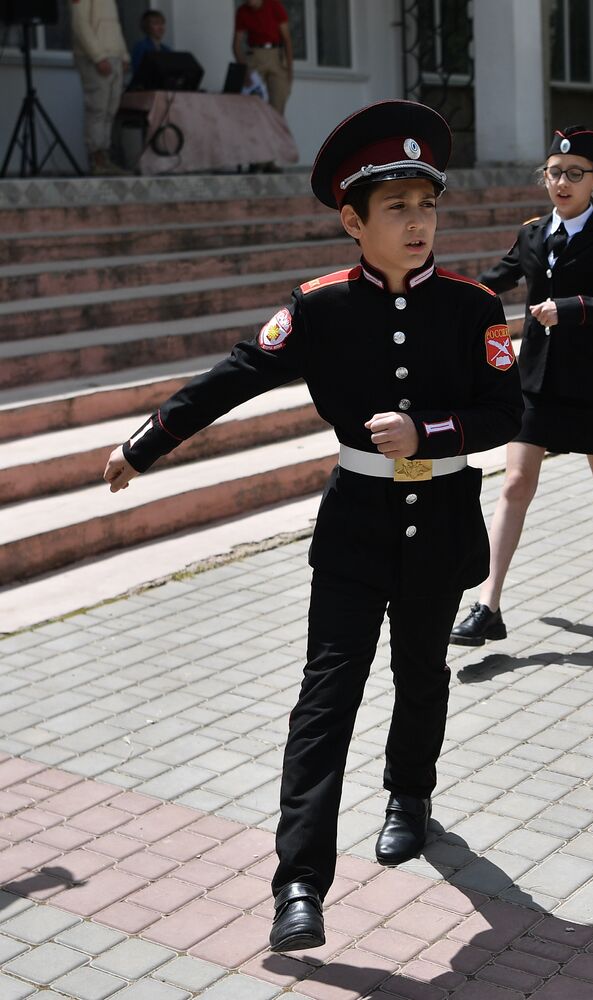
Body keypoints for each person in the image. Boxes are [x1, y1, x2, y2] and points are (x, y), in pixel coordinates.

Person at [101, 101, 524, 952]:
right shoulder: (320, 307)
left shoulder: (473, 306)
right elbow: (234, 376)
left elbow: (507, 410)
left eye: (426, 205)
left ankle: (410, 797)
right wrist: (147, 444)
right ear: (352, 220)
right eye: (397, 209)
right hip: (356, 529)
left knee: (421, 674)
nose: (417, 223)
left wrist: (431, 434)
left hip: (440, 519)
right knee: (324, 699)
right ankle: (298, 882)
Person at [450, 125, 593, 647]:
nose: (561, 182)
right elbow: (494, 278)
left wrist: (571, 309)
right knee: (515, 484)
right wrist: (444, 293)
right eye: (554, 173)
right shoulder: (533, 232)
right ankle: (487, 605)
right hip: (535, 379)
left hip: (590, 382)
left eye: (573, 174)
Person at [70, 0, 131, 176]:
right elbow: (79, 24)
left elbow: (114, 27)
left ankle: (105, 158)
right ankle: (96, 160)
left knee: (110, 111)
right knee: (97, 109)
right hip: (95, 58)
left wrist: (123, 55)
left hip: (114, 57)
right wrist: (98, 56)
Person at [233, 0, 293, 125]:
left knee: (278, 106)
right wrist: (245, 71)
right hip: (255, 56)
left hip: (276, 55)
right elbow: (236, 45)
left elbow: (287, 39)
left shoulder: (274, 6)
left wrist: (290, 70)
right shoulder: (242, 11)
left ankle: (276, 141)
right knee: (252, 103)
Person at [129, 8, 171, 77]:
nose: (160, 27)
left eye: (162, 23)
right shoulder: (140, 47)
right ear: (147, 26)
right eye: (156, 23)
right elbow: (139, 72)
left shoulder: (166, 49)